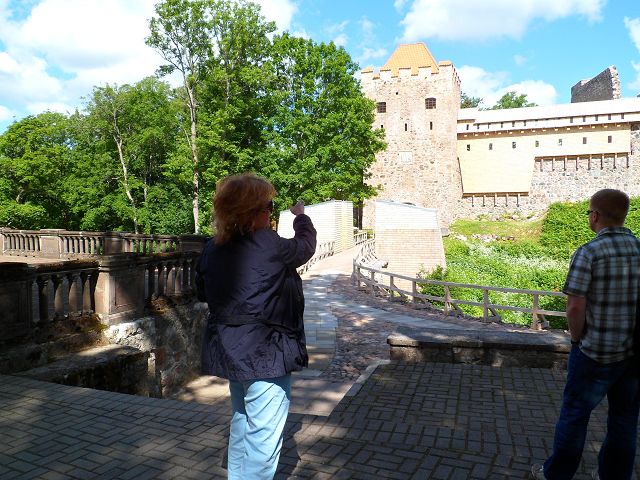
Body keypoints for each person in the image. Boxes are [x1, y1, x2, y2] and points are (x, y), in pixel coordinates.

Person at [196, 173, 317, 480]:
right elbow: (305, 246)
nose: (270, 214)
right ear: (252, 212)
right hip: (266, 354)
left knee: (242, 420)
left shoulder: (212, 247)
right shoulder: (268, 243)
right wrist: (301, 217)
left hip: (230, 350)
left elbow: (202, 292)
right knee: (263, 437)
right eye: (268, 207)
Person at [531, 189, 640, 480]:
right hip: (633, 354)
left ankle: (557, 474)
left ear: (595, 216)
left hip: (594, 353)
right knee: (625, 420)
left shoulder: (589, 252)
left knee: (575, 415)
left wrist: (577, 340)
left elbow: (575, 307)